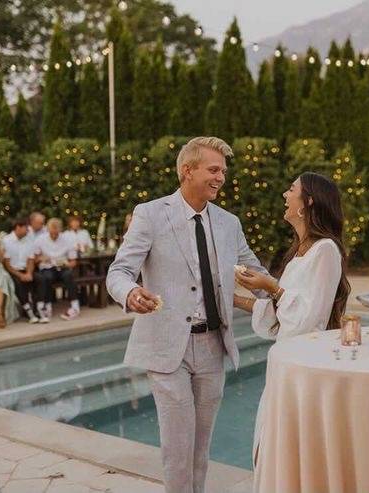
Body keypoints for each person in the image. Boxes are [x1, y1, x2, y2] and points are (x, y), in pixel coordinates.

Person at [106, 136, 269, 493]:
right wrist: (131, 292)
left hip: (214, 345)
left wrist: (290, 295)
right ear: (187, 170)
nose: (221, 177)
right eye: (213, 169)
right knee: (178, 448)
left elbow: (256, 273)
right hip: (169, 349)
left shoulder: (229, 223)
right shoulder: (150, 214)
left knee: (201, 448)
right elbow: (118, 272)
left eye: (223, 171)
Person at [233, 172, 349, 465]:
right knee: (270, 442)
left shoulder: (326, 250)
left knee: (292, 450)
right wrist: (229, 298)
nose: (285, 195)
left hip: (305, 364)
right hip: (285, 361)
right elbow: (280, 313)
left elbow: (310, 318)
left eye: (291, 189)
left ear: (308, 201)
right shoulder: (299, 252)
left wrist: (271, 285)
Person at [34, 218, 80, 322]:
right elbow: (35, 259)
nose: (54, 235)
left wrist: (67, 264)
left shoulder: (67, 240)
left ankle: (75, 306)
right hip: (47, 267)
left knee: (69, 275)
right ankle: (47, 306)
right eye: (52, 233)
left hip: (62, 267)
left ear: (60, 230)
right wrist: (41, 258)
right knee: (47, 277)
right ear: (48, 230)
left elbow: (74, 261)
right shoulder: (40, 239)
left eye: (56, 233)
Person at [2, 217, 40, 323]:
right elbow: (7, 264)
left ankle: (38, 308)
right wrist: (20, 275)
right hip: (12, 271)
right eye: (26, 228)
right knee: (18, 283)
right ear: (18, 227)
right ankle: (28, 310)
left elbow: (31, 259)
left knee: (40, 278)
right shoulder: (7, 240)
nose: (28, 231)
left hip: (26, 270)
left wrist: (29, 273)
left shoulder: (29, 240)